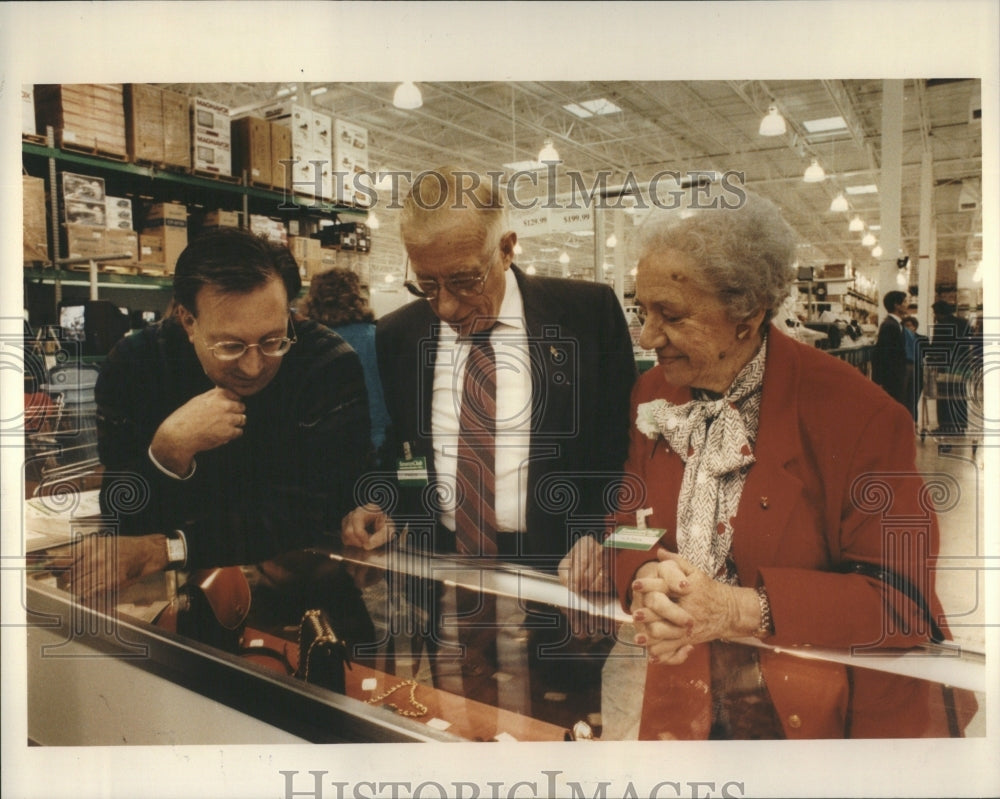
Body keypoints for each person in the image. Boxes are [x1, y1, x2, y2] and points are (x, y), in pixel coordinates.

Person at [611, 188, 975, 739]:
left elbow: (901, 602)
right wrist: (644, 577)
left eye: (671, 315)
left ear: (748, 313)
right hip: (686, 703)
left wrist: (736, 609)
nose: (647, 336)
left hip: (819, 716)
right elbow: (627, 526)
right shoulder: (654, 394)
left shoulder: (859, 415)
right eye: (642, 310)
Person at [341, 166, 636, 715]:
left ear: (506, 248)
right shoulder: (398, 335)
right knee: (463, 716)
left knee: (565, 729)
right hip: (447, 574)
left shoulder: (586, 315)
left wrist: (602, 536)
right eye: (427, 285)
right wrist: (379, 502)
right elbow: (405, 456)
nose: (446, 307)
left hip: (564, 578)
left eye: (463, 280)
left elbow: (623, 450)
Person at [64, 228, 372, 602]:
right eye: (230, 346)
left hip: (313, 592)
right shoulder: (134, 365)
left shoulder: (326, 363)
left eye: (274, 340)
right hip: (178, 601)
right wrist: (167, 451)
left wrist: (169, 548)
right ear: (188, 321)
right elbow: (124, 517)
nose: (255, 365)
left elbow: (320, 511)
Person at [300, 267, 391, 453]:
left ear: (313, 298)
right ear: (356, 296)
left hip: (323, 441)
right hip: (377, 439)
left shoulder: (306, 339)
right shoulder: (377, 336)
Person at [927, 300, 974, 436]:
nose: (935, 316)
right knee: (959, 395)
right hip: (962, 366)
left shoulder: (941, 325)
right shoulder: (963, 323)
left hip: (946, 367)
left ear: (940, 313)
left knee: (944, 397)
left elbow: (938, 348)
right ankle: (960, 426)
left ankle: (945, 426)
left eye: (935, 313)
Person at [871, 290, 909, 407]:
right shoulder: (890, 326)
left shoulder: (896, 324)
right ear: (896, 305)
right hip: (892, 377)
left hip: (896, 375)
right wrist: (880, 380)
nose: (907, 304)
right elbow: (883, 354)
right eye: (905, 302)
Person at [902, 315, 928, 429]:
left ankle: (914, 421)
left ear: (915, 327)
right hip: (905, 370)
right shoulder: (901, 339)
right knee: (904, 397)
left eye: (909, 326)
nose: (907, 328)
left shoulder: (923, 339)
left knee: (913, 397)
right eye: (905, 326)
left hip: (918, 370)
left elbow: (925, 354)